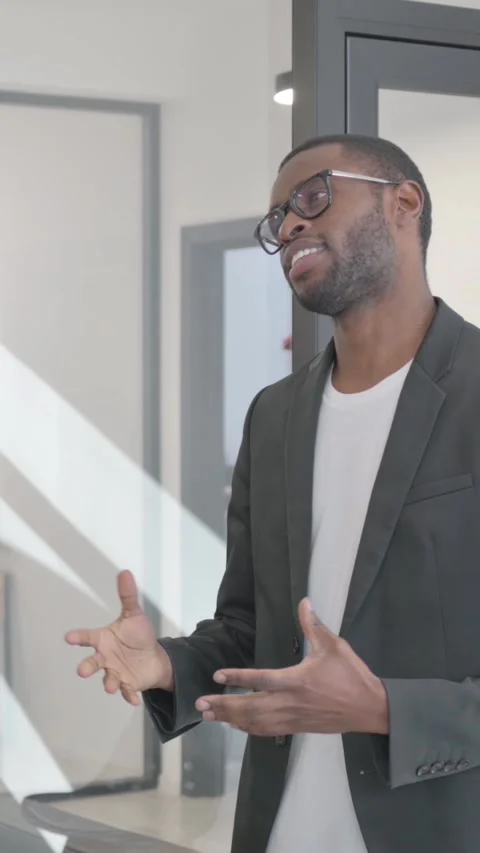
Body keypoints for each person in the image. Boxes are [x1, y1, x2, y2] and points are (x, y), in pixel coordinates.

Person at [66, 134, 480, 853]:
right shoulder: (276, 414)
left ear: (404, 204)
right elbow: (249, 629)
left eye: (313, 197)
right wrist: (166, 662)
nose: (288, 225)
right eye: (278, 218)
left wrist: (385, 709)